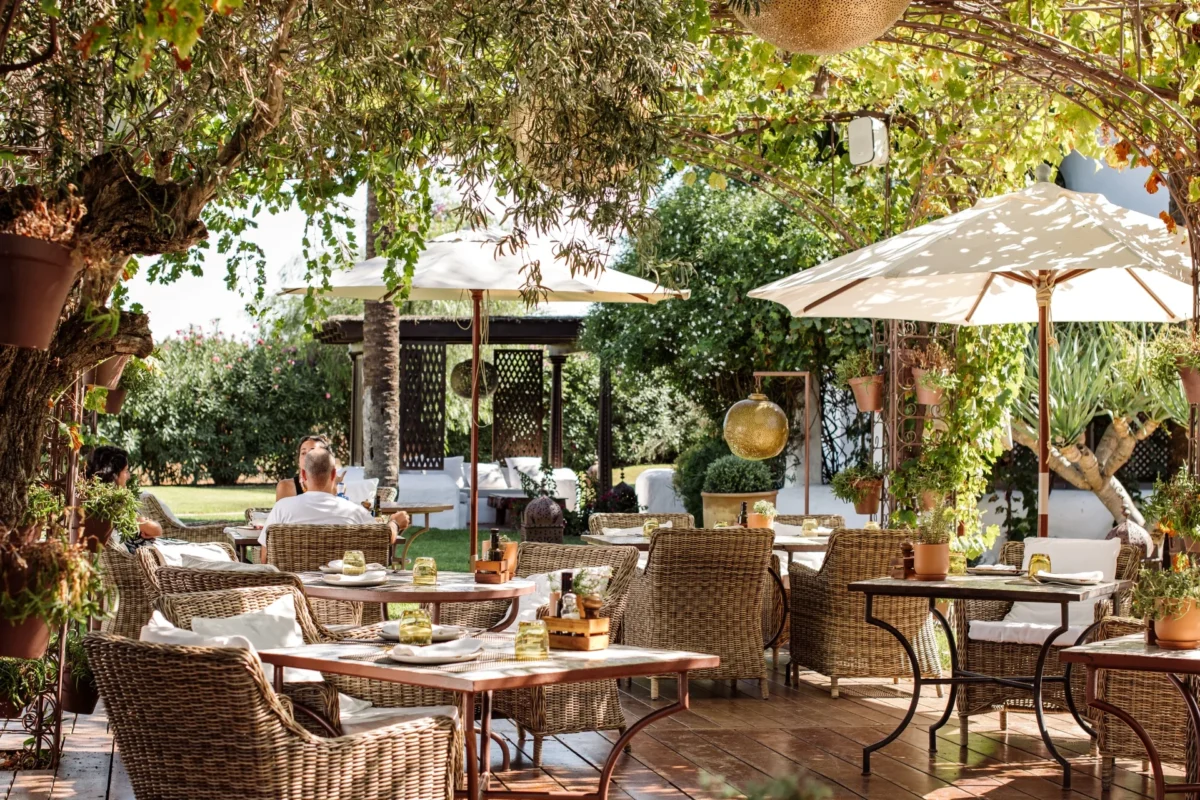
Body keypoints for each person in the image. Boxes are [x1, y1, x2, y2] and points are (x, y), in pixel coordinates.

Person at [259, 446, 410, 555]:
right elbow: (383, 538)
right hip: (344, 595)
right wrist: (394, 522)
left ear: (303, 475)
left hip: (292, 594)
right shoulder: (356, 512)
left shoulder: (282, 509)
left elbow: (265, 558)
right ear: (333, 475)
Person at [84, 445, 163, 552]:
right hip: (143, 558)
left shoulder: (94, 497)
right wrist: (141, 522)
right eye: (126, 471)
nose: (129, 476)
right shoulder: (112, 503)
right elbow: (156, 529)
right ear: (113, 475)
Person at [275, 434, 331, 501]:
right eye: (303, 453)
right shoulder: (285, 487)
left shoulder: (334, 487)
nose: (307, 457)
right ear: (298, 460)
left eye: (312, 452)